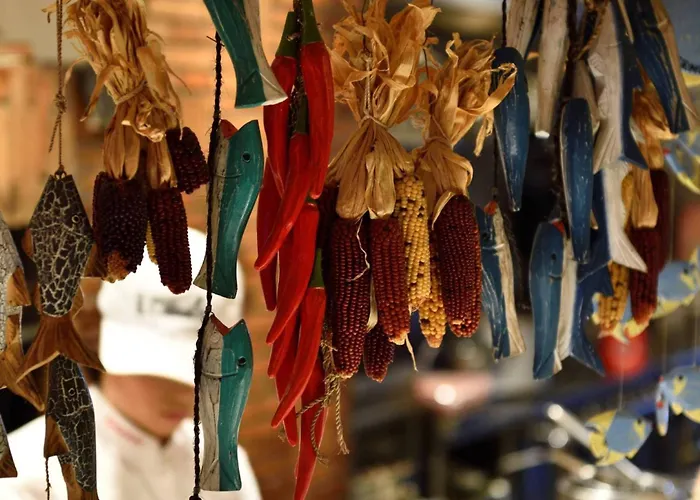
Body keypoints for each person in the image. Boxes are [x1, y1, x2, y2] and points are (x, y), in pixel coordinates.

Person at [0, 228, 261, 500]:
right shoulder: (26, 478)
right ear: (96, 335)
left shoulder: (224, 466)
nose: (184, 394)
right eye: (159, 373)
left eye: (203, 375)